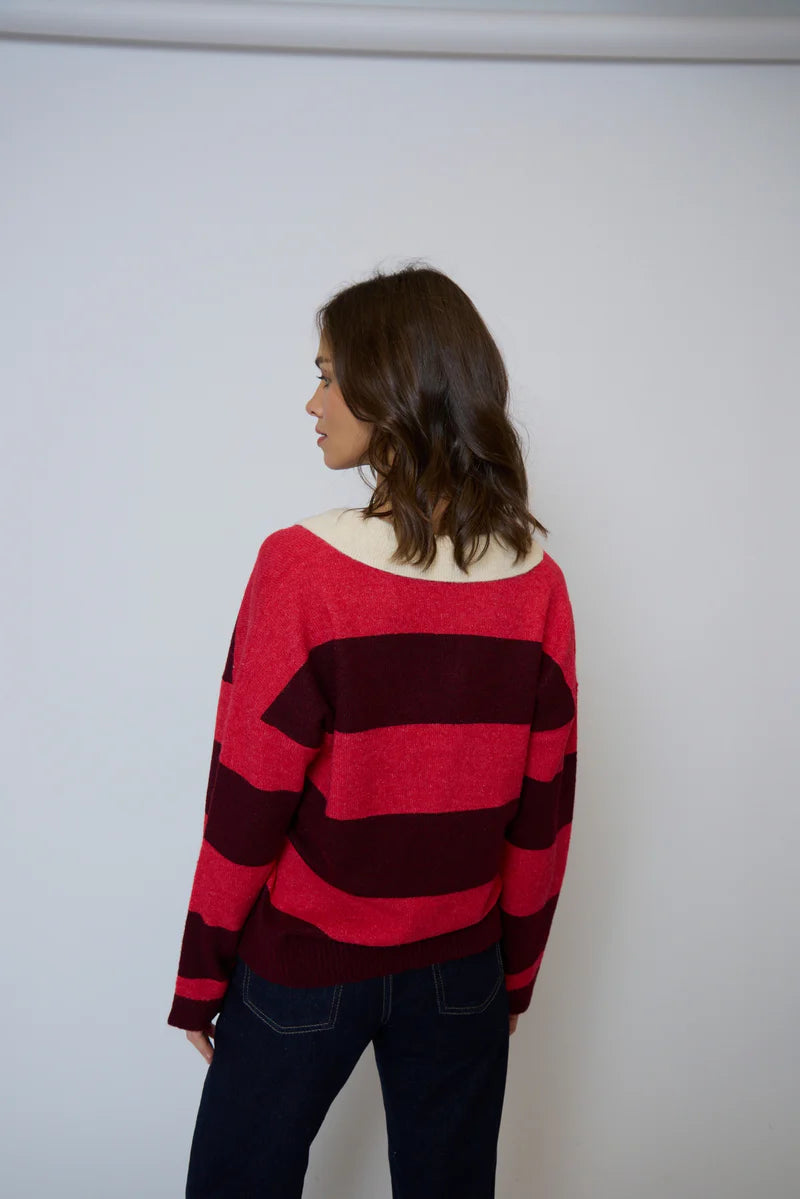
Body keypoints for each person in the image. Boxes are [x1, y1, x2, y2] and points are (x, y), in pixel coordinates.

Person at [167, 261, 579, 1198]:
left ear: (389, 387)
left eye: (327, 375)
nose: (312, 402)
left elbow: (248, 791)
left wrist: (202, 972)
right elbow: (543, 811)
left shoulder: (303, 567)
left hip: (306, 962)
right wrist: (512, 974)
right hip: (462, 969)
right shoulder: (538, 581)